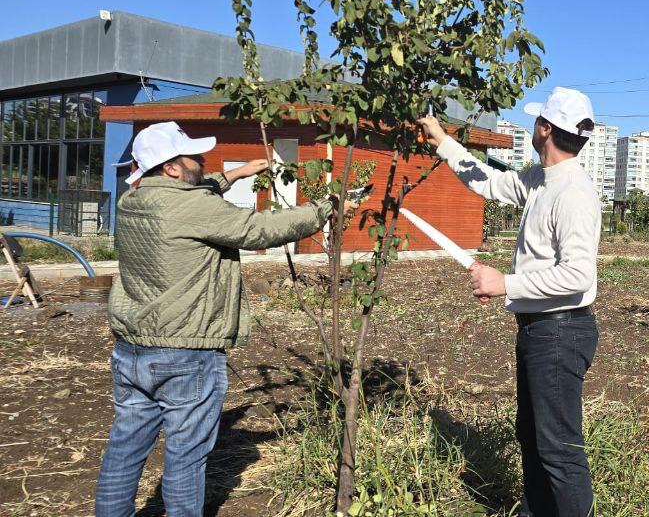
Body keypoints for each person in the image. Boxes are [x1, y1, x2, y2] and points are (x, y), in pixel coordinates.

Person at [95, 121, 356, 516]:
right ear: (170, 168)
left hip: (132, 350)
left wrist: (234, 174)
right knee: (185, 458)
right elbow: (258, 229)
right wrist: (325, 209)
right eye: (193, 157)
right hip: (185, 353)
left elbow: (194, 196)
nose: (202, 160)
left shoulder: (132, 202)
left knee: (125, 447)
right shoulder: (194, 207)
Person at [416, 87, 600, 517]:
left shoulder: (572, 193)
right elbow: (490, 182)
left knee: (559, 449)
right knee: (533, 437)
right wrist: (442, 141)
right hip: (539, 329)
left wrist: (506, 283)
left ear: (545, 128)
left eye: (535, 120)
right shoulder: (541, 180)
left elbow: (579, 275)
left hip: (561, 330)